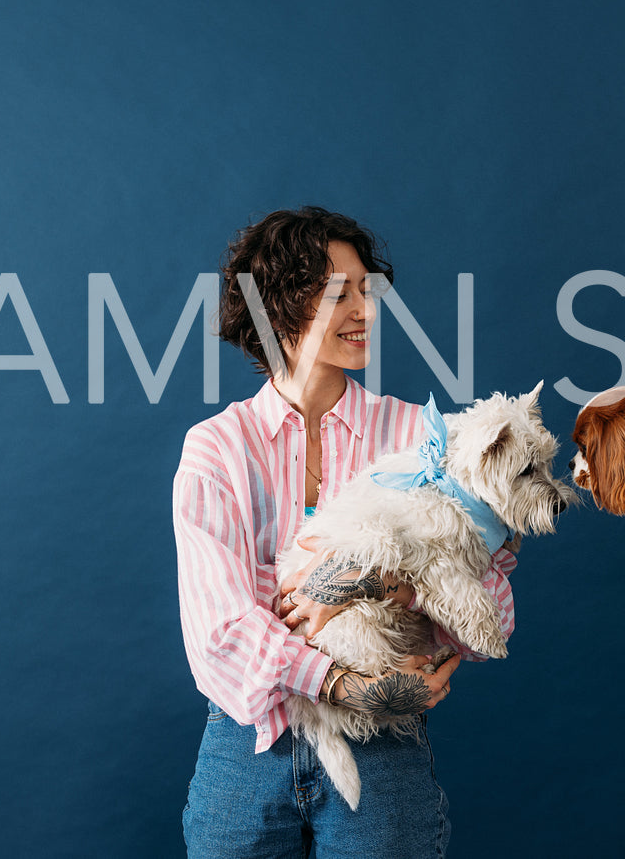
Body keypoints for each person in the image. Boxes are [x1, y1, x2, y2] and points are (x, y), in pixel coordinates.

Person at [174, 206, 517, 858]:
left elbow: (491, 607)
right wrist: (342, 683)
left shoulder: (422, 438)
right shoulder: (217, 449)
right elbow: (219, 625)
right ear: (276, 306)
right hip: (247, 746)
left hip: (384, 750)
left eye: (368, 290)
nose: (365, 309)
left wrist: (391, 584)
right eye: (339, 292)